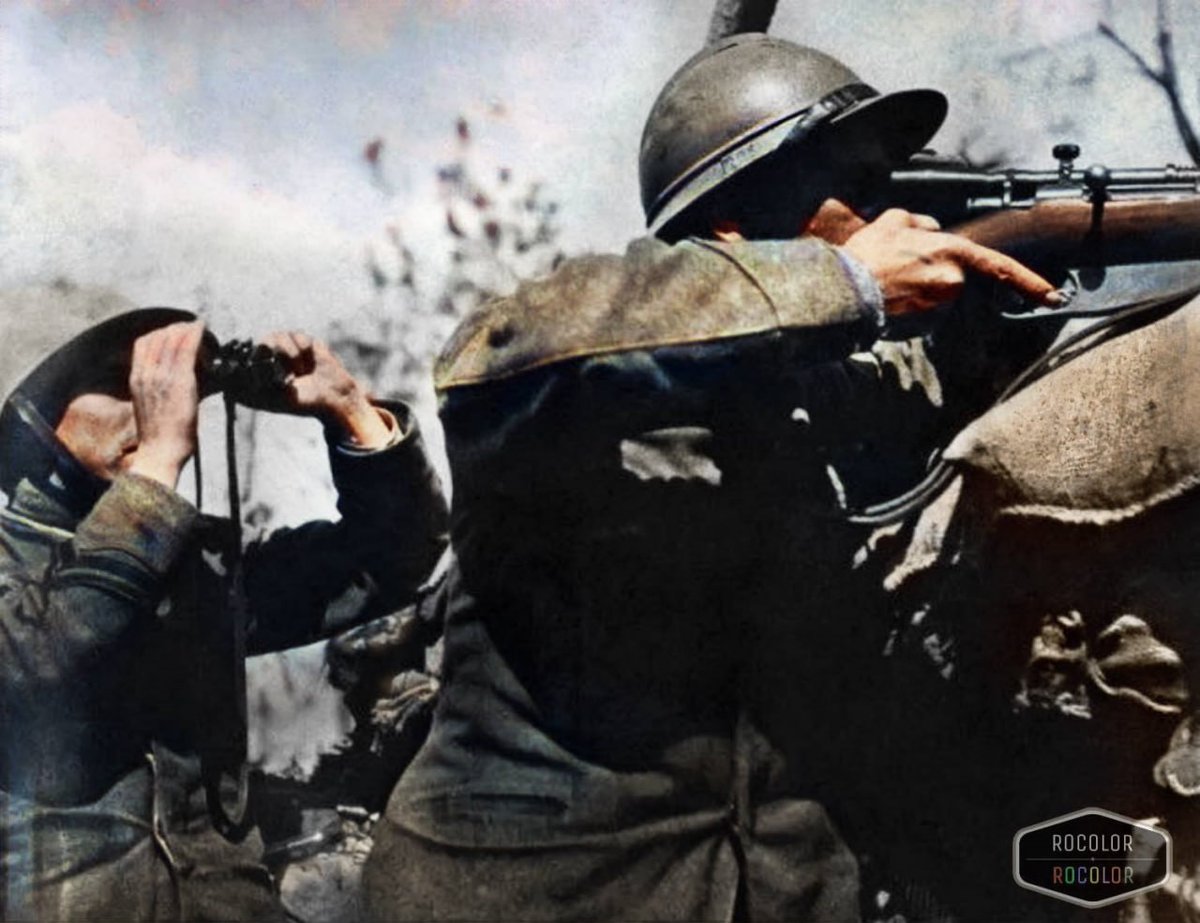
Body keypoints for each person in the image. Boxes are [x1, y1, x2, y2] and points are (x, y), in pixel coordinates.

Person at [364, 34, 1058, 921]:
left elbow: (929, 393)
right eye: (864, 187)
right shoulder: (563, 384)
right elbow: (496, 350)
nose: (900, 214)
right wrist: (848, 283)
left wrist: (1000, 321)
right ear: (736, 225)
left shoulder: (824, 389)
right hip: (537, 892)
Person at [0, 297, 448, 921]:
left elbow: (391, 563)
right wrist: (156, 468)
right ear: (32, 417)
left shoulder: (186, 562)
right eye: (121, 383)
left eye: (162, 382)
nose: (156, 404)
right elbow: (46, 651)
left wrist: (349, 411)